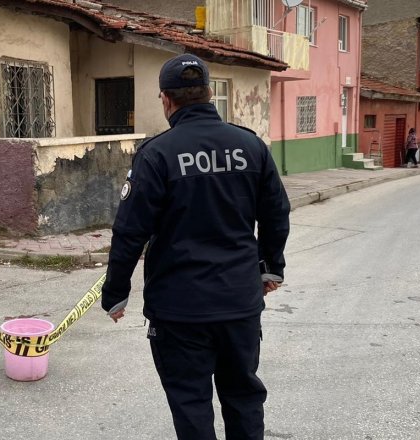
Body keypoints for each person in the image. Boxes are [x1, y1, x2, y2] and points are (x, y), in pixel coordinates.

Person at [101, 54, 291, 440]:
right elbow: (276, 212)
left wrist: (115, 293)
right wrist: (271, 266)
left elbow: (129, 232)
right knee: (243, 396)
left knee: (191, 402)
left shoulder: (157, 154)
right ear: (209, 96)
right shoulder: (250, 146)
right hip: (239, 303)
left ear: (166, 100)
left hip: (180, 309)